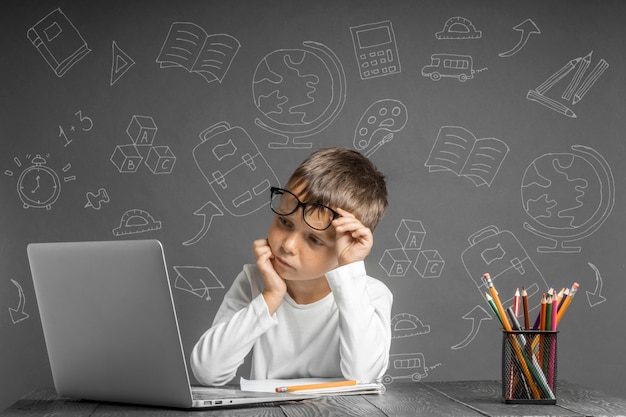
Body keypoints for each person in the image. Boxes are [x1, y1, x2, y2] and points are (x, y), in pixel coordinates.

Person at [190, 147, 392, 386]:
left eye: (314, 239)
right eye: (284, 221)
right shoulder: (255, 281)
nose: (288, 245)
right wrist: (270, 296)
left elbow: (363, 376)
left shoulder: (368, 294)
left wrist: (349, 271)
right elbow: (207, 372)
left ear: (345, 245)